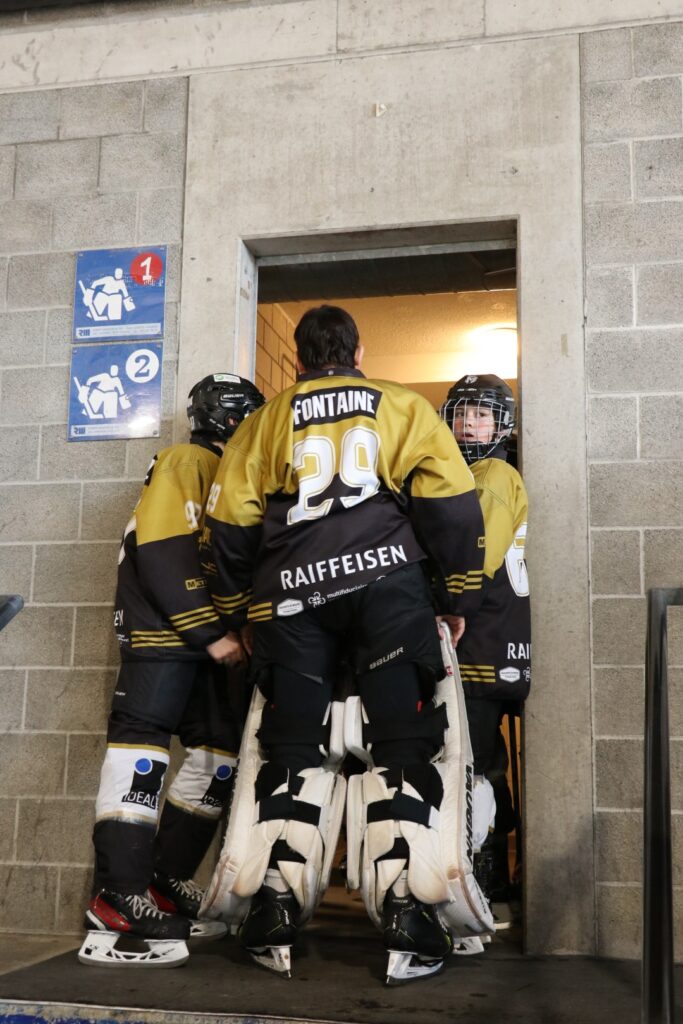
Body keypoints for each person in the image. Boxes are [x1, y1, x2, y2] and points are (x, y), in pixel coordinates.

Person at [202, 305, 488, 984]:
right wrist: (457, 599)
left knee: (291, 746)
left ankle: (272, 903)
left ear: (299, 360)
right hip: (387, 591)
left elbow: (230, 526)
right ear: (359, 353)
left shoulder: (264, 421)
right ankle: (407, 908)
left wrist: (239, 612)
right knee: (404, 744)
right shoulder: (400, 406)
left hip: (292, 598)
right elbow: (451, 507)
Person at [78, 373, 265, 969]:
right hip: (164, 635)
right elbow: (162, 548)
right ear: (231, 419)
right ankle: (117, 895)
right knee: (140, 755)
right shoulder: (188, 460)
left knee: (218, 756)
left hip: (203, 644)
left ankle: (162, 879)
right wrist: (211, 632)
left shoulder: (227, 472)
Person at [439, 374, 531, 917]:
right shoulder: (465, 474)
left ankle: (486, 867)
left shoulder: (493, 473)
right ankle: (485, 862)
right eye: (461, 414)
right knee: (478, 754)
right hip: (480, 637)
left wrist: (445, 605)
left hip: (482, 637)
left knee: (475, 759)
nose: (469, 424)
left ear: (501, 424)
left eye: (480, 415)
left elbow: (479, 560)